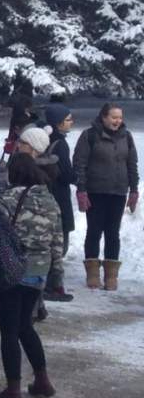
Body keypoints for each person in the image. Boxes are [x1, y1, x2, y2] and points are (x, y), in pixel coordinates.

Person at [0, 153, 63, 398]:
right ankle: (42, 378)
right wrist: (56, 275)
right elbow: (57, 240)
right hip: (39, 271)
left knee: (9, 330)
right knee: (25, 326)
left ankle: (13, 389)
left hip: (13, 269)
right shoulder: (50, 199)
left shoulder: (8, 199)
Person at [73, 104, 137, 291]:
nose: (118, 121)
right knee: (94, 231)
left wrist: (134, 189)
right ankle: (92, 274)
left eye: (120, 117)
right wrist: (82, 189)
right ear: (103, 117)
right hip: (95, 191)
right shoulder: (89, 136)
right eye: (114, 117)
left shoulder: (127, 136)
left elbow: (132, 164)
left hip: (118, 192)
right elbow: (80, 163)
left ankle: (111, 275)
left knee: (113, 233)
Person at [41, 104, 76, 301]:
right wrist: (77, 177)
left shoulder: (43, 138)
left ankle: (46, 282)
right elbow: (66, 173)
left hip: (46, 193)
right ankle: (52, 285)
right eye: (69, 119)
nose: (71, 122)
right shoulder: (60, 144)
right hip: (59, 196)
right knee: (59, 241)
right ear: (59, 122)